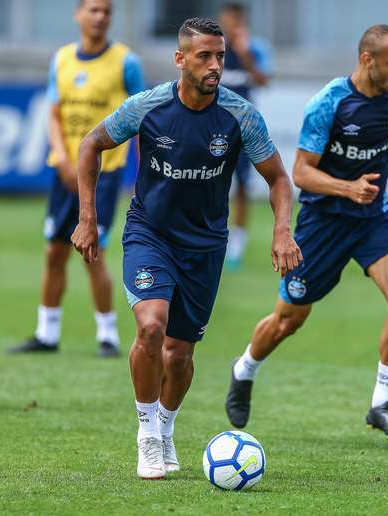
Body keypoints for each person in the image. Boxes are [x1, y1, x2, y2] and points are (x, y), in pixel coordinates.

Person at [70, 17, 301, 479]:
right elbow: (91, 145)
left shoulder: (239, 115)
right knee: (151, 328)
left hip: (205, 245)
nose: (216, 65)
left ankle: (167, 426)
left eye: (220, 56)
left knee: (180, 354)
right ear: (180, 59)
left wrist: (282, 230)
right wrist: (89, 218)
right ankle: (147, 436)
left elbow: (278, 178)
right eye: (205, 56)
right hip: (149, 234)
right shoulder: (148, 107)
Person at [225, 24, 388, 442]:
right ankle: (244, 368)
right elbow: (300, 173)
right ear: (367, 60)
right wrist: (348, 188)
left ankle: (381, 404)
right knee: (288, 320)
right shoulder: (330, 104)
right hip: (323, 224)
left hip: (373, 220)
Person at [9, 0, 145, 357]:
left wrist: (143, 174)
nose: (99, 17)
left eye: (106, 12)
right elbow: (53, 115)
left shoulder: (125, 62)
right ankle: (47, 333)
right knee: (54, 250)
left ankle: (108, 335)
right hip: (64, 172)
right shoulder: (62, 59)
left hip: (105, 172)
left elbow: (143, 119)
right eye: (93, 10)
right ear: (78, 14)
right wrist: (64, 161)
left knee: (92, 251)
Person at [217, 2, 273, 269]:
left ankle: (237, 243)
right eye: (228, 20)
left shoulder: (255, 47)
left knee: (242, 185)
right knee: (211, 181)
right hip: (212, 126)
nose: (232, 25)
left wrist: (245, 53)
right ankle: (212, 235)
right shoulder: (212, 49)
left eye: (236, 20)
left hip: (244, 127)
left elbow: (263, 80)